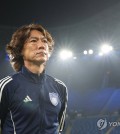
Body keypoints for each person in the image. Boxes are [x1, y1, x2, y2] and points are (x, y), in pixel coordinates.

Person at [0, 23, 68, 134]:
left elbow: (59, 128)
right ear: (20, 50)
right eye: (33, 41)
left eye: (44, 41)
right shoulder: (6, 86)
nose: (41, 45)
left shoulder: (60, 87)